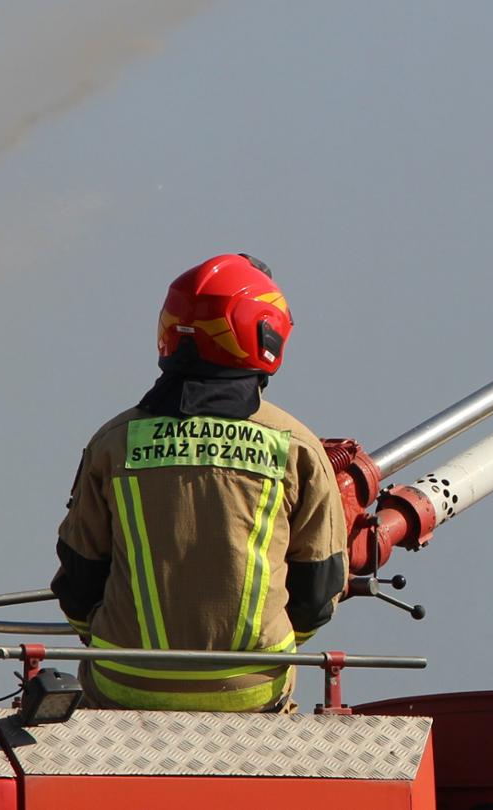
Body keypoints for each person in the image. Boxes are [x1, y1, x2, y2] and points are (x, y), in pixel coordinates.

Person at [50, 253, 348, 712]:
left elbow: (78, 578)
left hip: (124, 685)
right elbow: (319, 590)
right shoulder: (296, 447)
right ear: (266, 332)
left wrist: (114, 640)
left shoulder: (113, 442)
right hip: (251, 691)